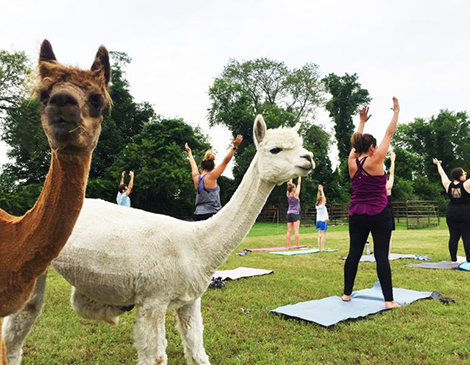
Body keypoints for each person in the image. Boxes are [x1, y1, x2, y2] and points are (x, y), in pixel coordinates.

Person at [342, 98, 401, 309]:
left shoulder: (352, 163)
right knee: (381, 256)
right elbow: (389, 134)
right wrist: (396, 112)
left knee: (354, 254)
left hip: (356, 214)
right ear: (373, 147)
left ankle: (347, 295)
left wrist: (361, 122)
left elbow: (355, 145)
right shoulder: (376, 160)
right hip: (378, 214)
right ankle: (388, 300)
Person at [185, 135, 243, 221]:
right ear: (213, 167)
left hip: (198, 214)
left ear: (201, 166)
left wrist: (189, 152)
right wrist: (234, 147)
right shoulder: (212, 176)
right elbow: (225, 161)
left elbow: (193, 164)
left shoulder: (196, 177)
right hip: (212, 214)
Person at [433, 159, 470, 262]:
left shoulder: (448, 184)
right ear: (460, 176)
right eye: (464, 173)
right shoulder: (466, 184)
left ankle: (453, 259)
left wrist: (438, 164)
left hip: (451, 212)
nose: (465, 175)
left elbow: (442, 174)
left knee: (453, 236)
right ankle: (469, 260)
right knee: (467, 236)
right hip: (465, 213)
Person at [286, 177, 301, 248]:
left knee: (289, 231)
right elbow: (299, 183)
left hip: (289, 213)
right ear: (293, 189)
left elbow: (289, 186)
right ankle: (297, 245)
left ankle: (288, 246)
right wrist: (300, 176)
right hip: (295, 213)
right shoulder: (295, 195)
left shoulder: (288, 194)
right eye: (294, 187)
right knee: (296, 230)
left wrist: (291, 176)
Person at [386, 151, 396, 259]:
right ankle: (387, 255)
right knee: (388, 236)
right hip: (387, 212)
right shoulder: (388, 186)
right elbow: (392, 173)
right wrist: (392, 161)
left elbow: (391, 174)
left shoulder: (381, 187)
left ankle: (384, 254)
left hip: (380, 211)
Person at [315, 185, 329, 251]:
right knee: (323, 235)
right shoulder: (322, 206)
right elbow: (323, 198)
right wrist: (322, 190)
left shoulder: (317, 206)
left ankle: (319, 248)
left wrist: (319, 191)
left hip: (318, 221)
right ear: (321, 201)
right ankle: (322, 248)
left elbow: (319, 198)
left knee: (319, 235)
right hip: (323, 221)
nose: (325, 201)